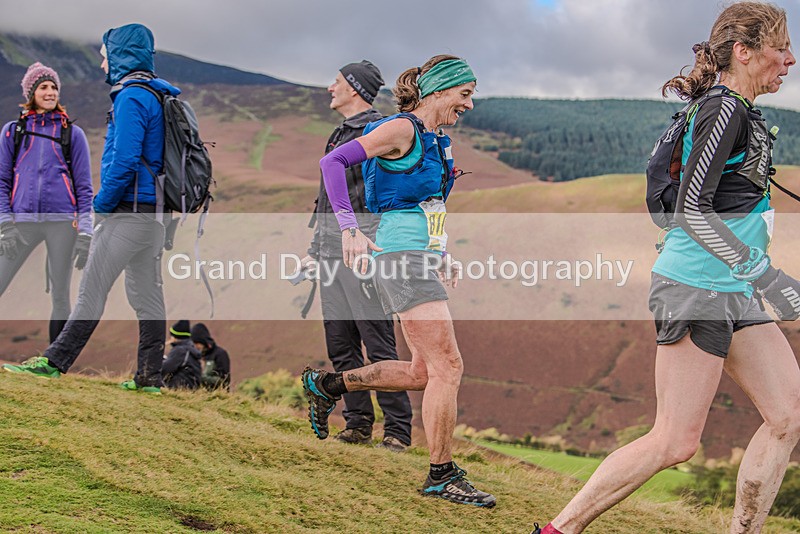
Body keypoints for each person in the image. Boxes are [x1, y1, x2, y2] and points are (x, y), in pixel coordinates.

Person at [532, 3, 800, 533]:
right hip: (696, 285)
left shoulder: (739, 113)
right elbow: (690, 209)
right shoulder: (725, 109)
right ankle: (556, 530)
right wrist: (768, 275)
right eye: (780, 47)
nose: (790, 60)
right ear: (743, 52)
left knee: (788, 414)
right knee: (675, 440)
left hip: (733, 287)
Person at [301, 55, 495, 507]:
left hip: (418, 258)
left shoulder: (435, 139)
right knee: (449, 367)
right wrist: (349, 229)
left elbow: (427, 204)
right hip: (398, 260)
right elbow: (333, 163)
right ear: (440, 90)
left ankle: (328, 386)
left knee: (422, 371)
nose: (468, 105)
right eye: (464, 95)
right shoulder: (402, 129)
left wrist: (441, 251)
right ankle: (441, 475)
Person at [2, 23, 180, 394]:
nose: (102, 65)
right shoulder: (157, 94)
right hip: (154, 217)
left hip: (127, 213)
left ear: (120, 55)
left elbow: (126, 159)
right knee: (147, 296)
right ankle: (150, 377)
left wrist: (100, 206)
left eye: (104, 56)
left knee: (91, 290)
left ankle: (53, 362)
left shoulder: (132, 96)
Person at [301, 60, 412, 452]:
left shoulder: (377, 132)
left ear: (353, 87)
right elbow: (328, 198)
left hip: (365, 250)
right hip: (331, 251)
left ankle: (398, 431)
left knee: (378, 342)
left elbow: (382, 195)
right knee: (340, 343)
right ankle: (358, 423)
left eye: (336, 82)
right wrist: (316, 250)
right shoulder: (340, 133)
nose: (330, 88)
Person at [0, 62, 93, 343]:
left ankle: (54, 363)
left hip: (63, 224)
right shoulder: (12, 132)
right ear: (31, 92)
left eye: (54, 87)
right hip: (21, 223)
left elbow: (85, 188)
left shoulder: (72, 134)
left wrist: (86, 231)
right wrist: (5, 224)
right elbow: (2, 182)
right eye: (43, 87)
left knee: (61, 295)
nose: (50, 92)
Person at [162, 320, 202, 390]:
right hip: (191, 388)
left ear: (175, 336)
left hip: (180, 388)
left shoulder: (180, 350)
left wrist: (159, 358)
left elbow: (165, 369)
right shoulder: (189, 349)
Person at [191, 322, 231, 391]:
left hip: (218, 397)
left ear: (203, 341)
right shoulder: (196, 356)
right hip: (199, 397)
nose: (195, 346)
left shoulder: (220, 354)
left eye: (197, 343)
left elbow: (224, 381)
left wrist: (200, 377)